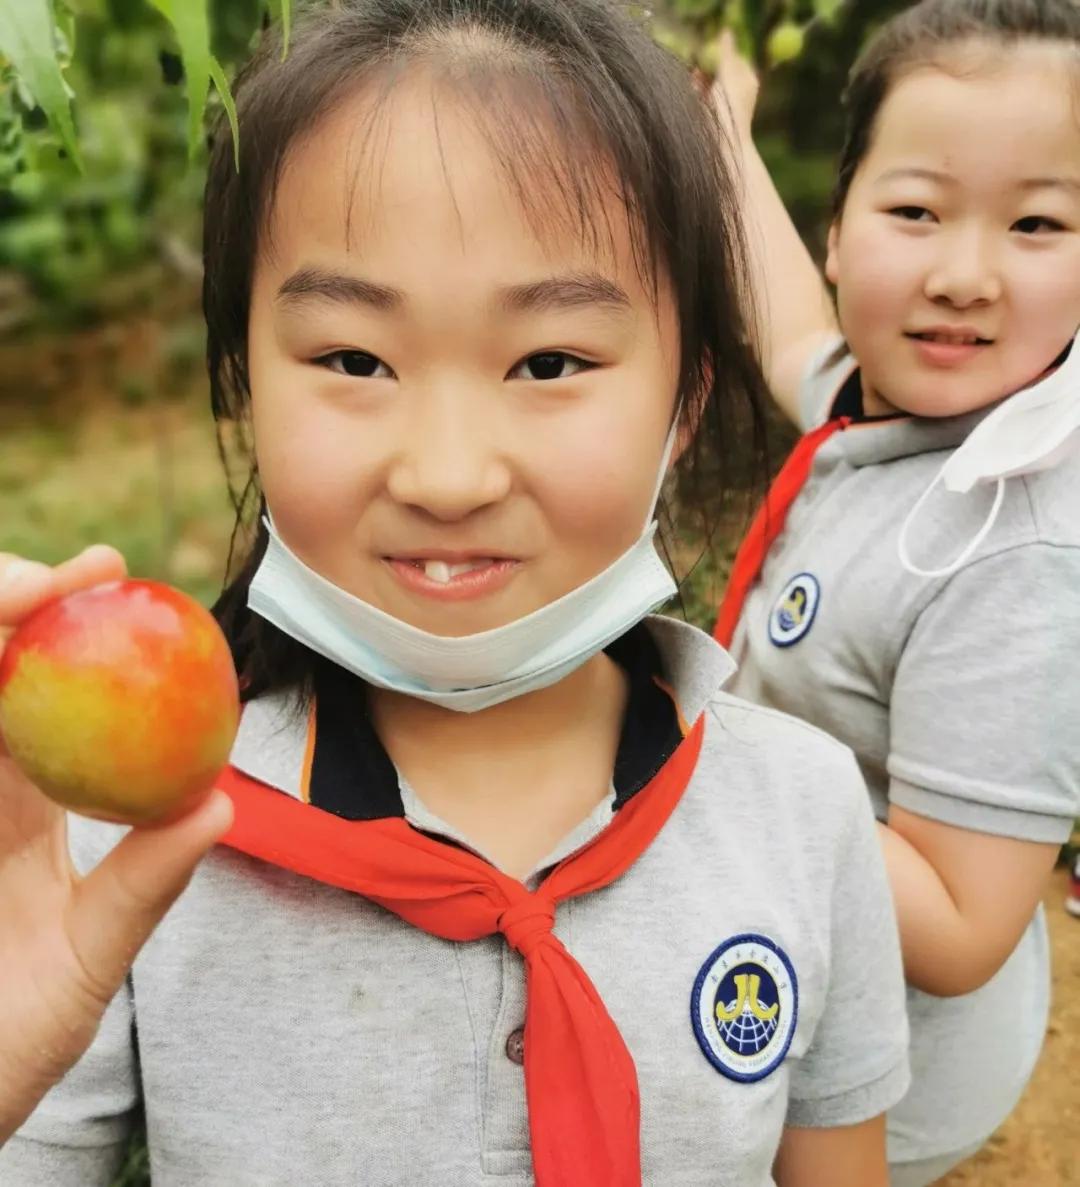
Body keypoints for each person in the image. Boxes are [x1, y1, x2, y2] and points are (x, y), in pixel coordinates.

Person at [0, 2, 912, 1183]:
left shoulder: (802, 813)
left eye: (549, 362)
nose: (446, 475)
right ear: (244, 386)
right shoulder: (110, 856)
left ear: (685, 400)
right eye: (353, 360)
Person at [710, 2, 1080, 1185]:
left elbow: (963, 926)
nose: (961, 274)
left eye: (1036, 222)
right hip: (798, 963)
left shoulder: (1011, 544)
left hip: (880, 1071)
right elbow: (785, 336)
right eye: (914, 210)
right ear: (837, 228)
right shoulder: (888, 408)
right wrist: (724, 128)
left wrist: (692, 759)